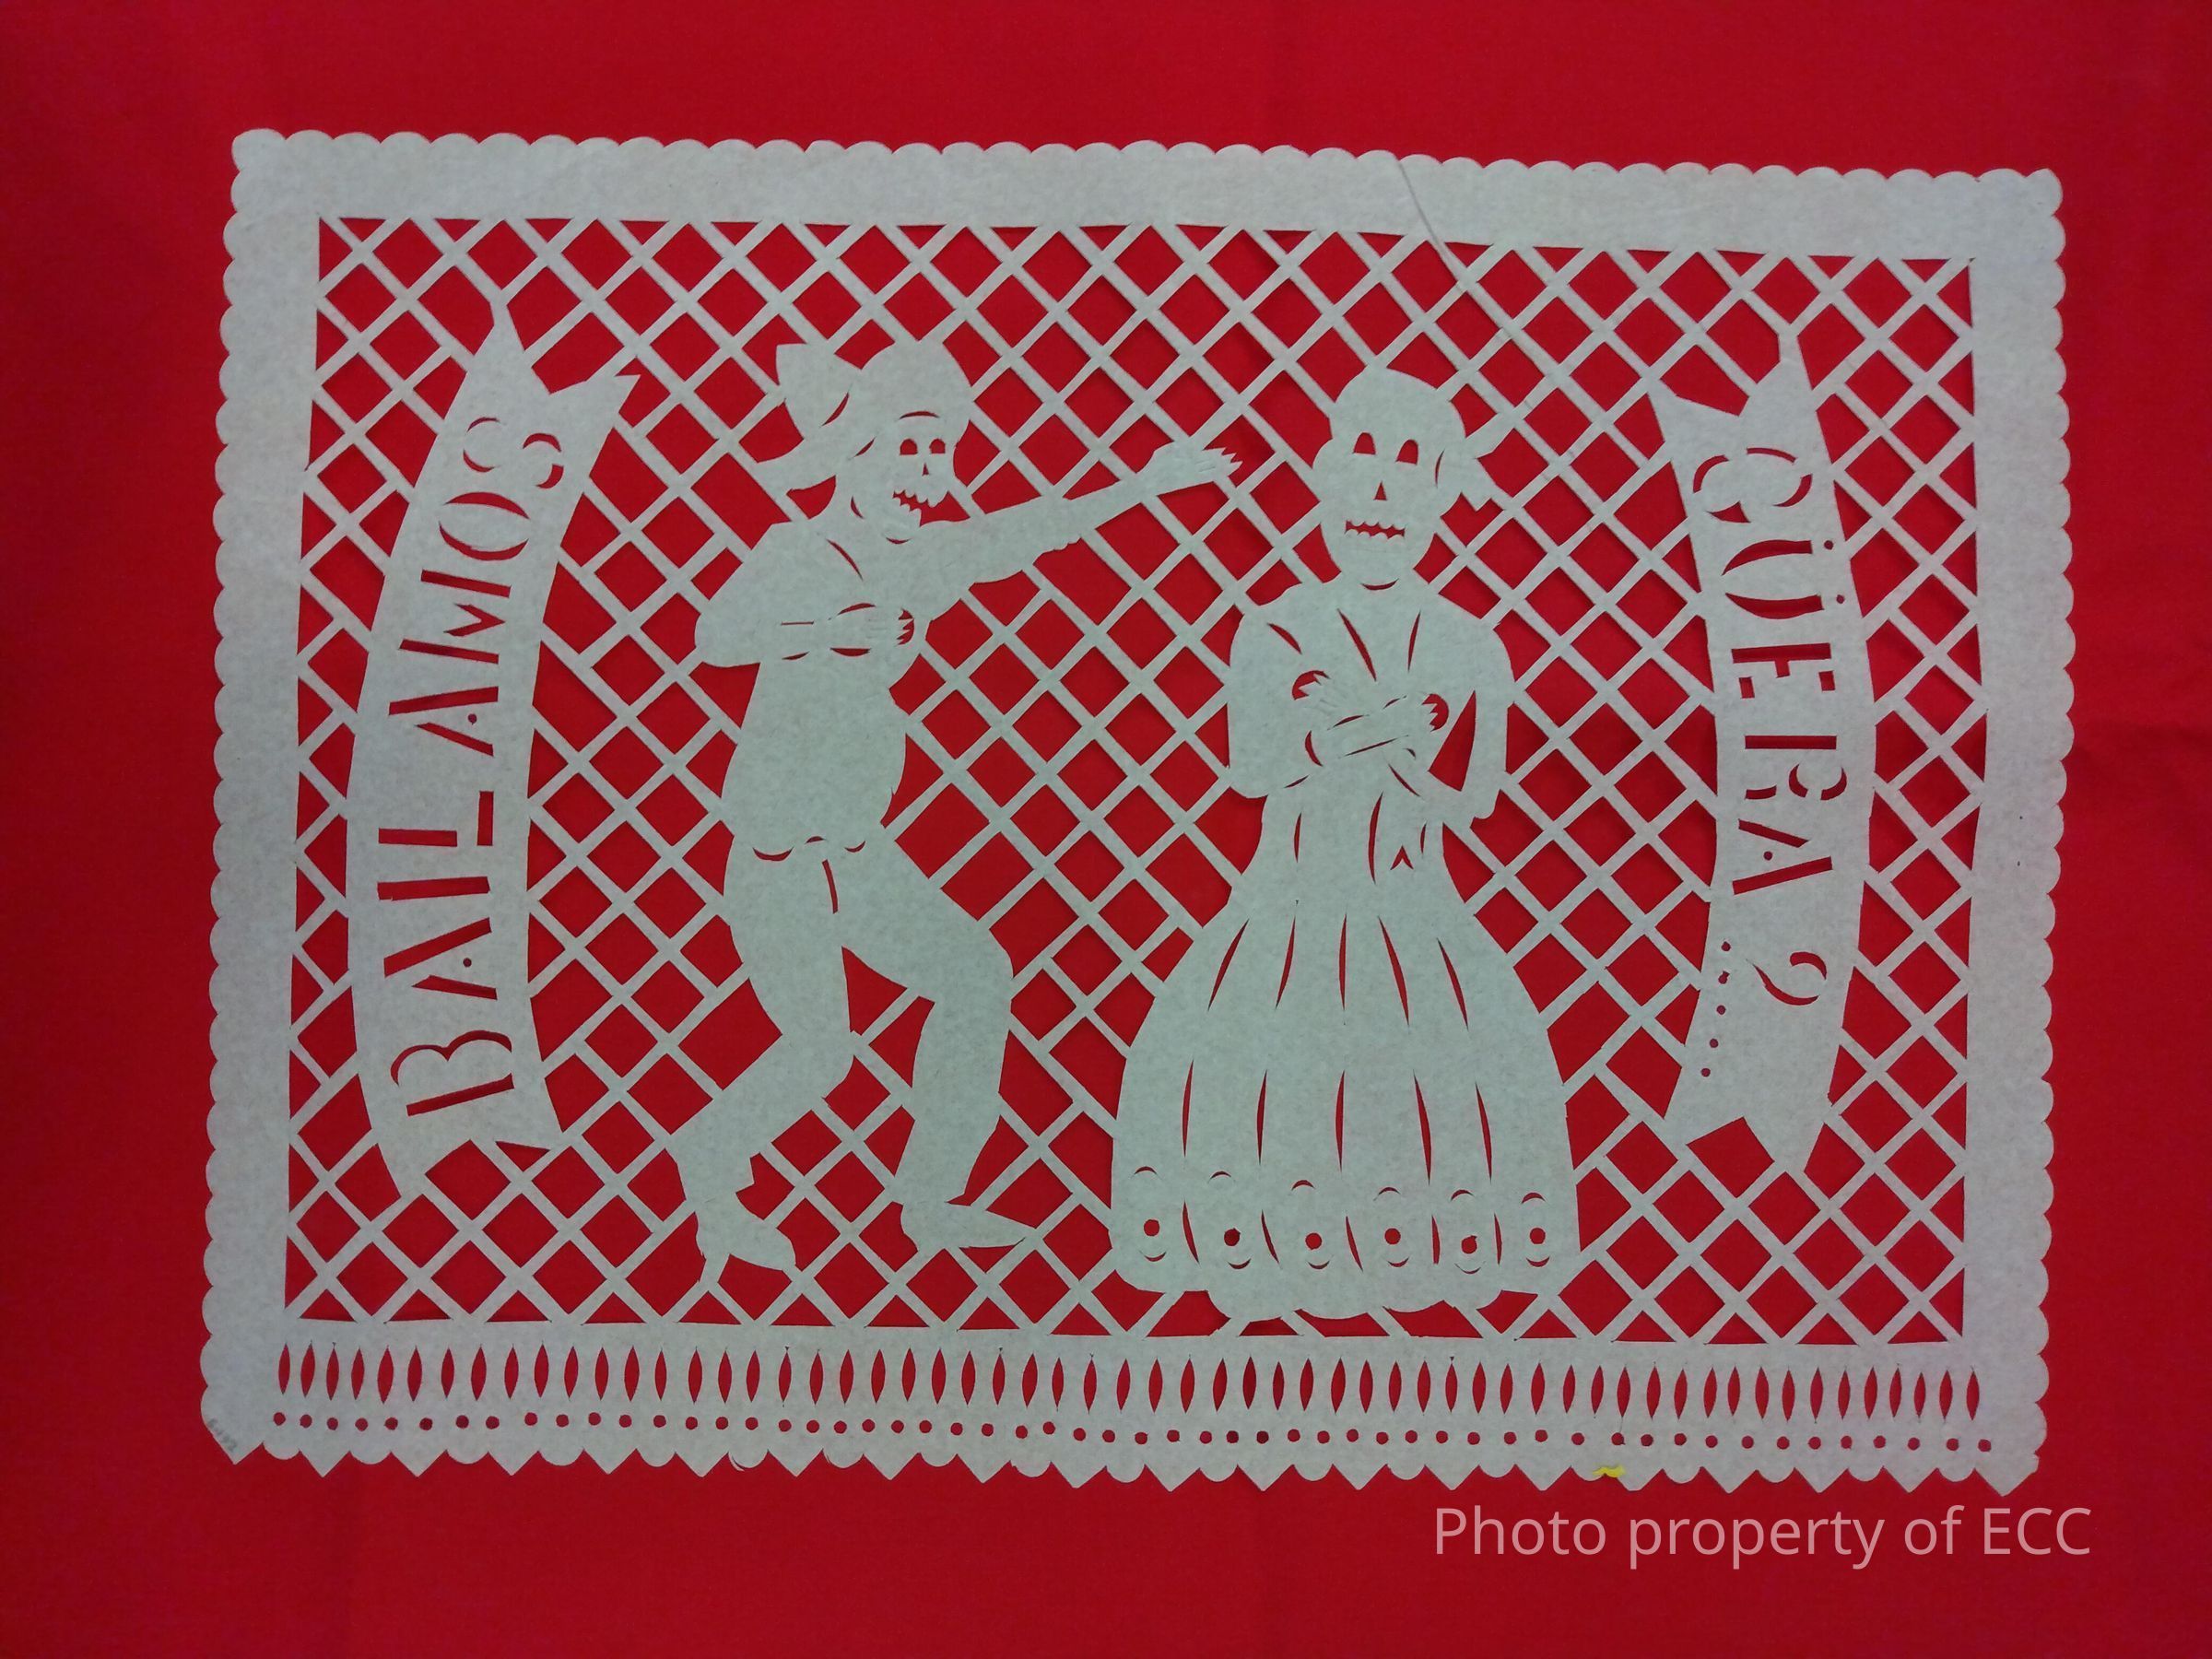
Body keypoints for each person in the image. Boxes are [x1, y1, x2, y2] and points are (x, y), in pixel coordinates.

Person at [679, 340, 1231, 1271]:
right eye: (910, 446)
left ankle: (930, 1199)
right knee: (821, 1053)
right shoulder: (797, 549)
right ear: (852, 449)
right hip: (780, 860)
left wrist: (1143, 485)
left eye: (943, 451)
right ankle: (705, 1161)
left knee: (975, 976)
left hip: (857, 854)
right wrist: (824, 628)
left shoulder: (924, 561)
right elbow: (715, 636)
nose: (930, 473)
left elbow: (1030, 529)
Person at [1108, 367, 1574, 1320]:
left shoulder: (1473, 644)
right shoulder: (1275, 626)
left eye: (1412, 463)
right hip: (1286, 905)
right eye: (1363, 453)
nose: (1382, 486)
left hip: (1415, 909)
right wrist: (1382, 729)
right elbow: (1252, 769)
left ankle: (1401, 1256)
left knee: (1421, 1087)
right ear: (1324, 472)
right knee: (1270, 1081)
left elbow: (1473, 799)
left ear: (1441, 494)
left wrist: (1363, 734)